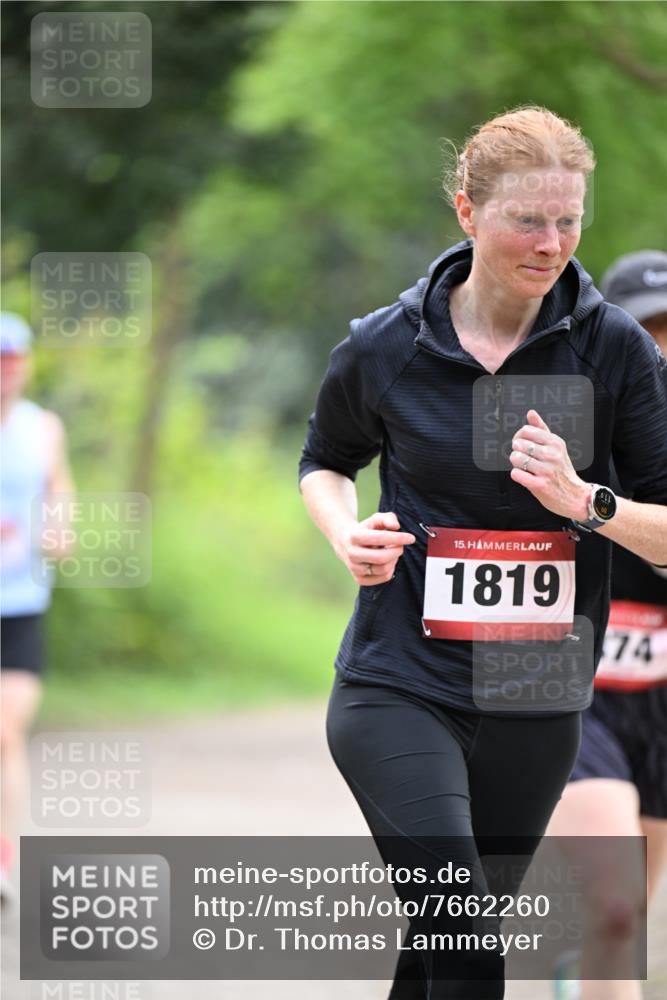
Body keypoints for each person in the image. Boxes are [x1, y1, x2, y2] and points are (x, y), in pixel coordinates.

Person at [298, 107, 667, 999]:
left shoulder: (610, 347)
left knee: (442, 948)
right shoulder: (385, 344)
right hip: (400, 678)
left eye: (568, 220)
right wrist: (346, 532)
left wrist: (586, 502)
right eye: (526, 220)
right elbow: (325, 463)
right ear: (466, 212)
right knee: (463, 940)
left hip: (532, 689)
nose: (550, 243)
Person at [548, 251, 667, 1000]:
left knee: (628, 922)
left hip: (660, 699)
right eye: (647, 332)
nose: (662, 350)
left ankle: (582, 972)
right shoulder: (565, 433)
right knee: (616, 908)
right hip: (578, 685)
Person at [0, 312, 75, 890]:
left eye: (13, 359)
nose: (7, 370)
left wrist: (60, 529)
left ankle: (2, 860)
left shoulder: (43, 426)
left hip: (20, 601)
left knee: (7, 731)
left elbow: (59, 490)